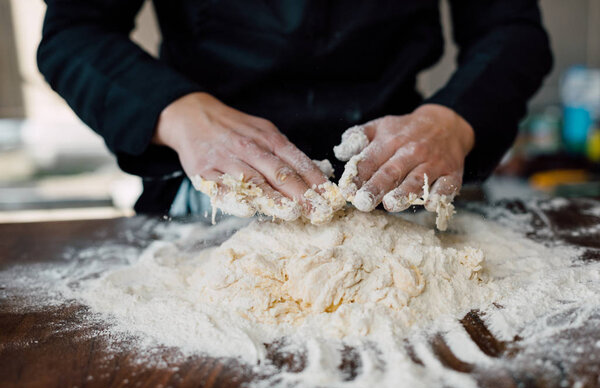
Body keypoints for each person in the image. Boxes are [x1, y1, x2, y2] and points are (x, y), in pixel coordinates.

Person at [37, 0, 552, 219]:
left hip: (396, 181)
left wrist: (452, 120)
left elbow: (510, 29)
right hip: (209, 194)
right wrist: (179, 111)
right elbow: (74, 32)